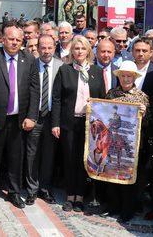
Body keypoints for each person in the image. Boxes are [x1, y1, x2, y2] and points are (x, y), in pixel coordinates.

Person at [0, 23, 40, 209]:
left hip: (18, 120)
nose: (14, 43)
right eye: (11, 39)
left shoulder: (28, 59)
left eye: (18, 40)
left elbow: (34, 90)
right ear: (3, 39)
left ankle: (14, 192)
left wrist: (31, 116)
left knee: (16, 158)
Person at [51, 36, 106, 212]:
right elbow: (57, 98)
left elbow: (102, 99)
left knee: (84, 160)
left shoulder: (97, 72)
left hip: (90, 124)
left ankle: (80, 196)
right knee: (69, 159)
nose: (79, 51)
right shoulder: (65, 71)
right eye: (76, 48)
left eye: (83, 48)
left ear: (88, 51)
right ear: (72, 51)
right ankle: (70, 195)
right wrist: (55, 123)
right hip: (69, 122)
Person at [103, 61, 149, 222]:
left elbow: (149, 123)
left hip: (131, 144)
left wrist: (144, 113)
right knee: (111, 173)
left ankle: (127, 210)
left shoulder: (141, 97)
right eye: (123, 75)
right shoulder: (111, 94)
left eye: (129, 75)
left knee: (128, 176)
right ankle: (113, 206)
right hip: (113, 141)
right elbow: (103, 114)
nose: (126, 78)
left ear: (134, 77)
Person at [24, 35, 62, 205]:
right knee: (32, 154)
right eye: (43, 48)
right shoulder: (30, 65)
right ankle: (31, 189)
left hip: (53, 119)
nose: (46, 51)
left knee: (49, 156)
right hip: (35, 117)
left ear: (55, 48)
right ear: (37, 48)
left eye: (49, 48)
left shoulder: (62, 66)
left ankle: (45, 189)